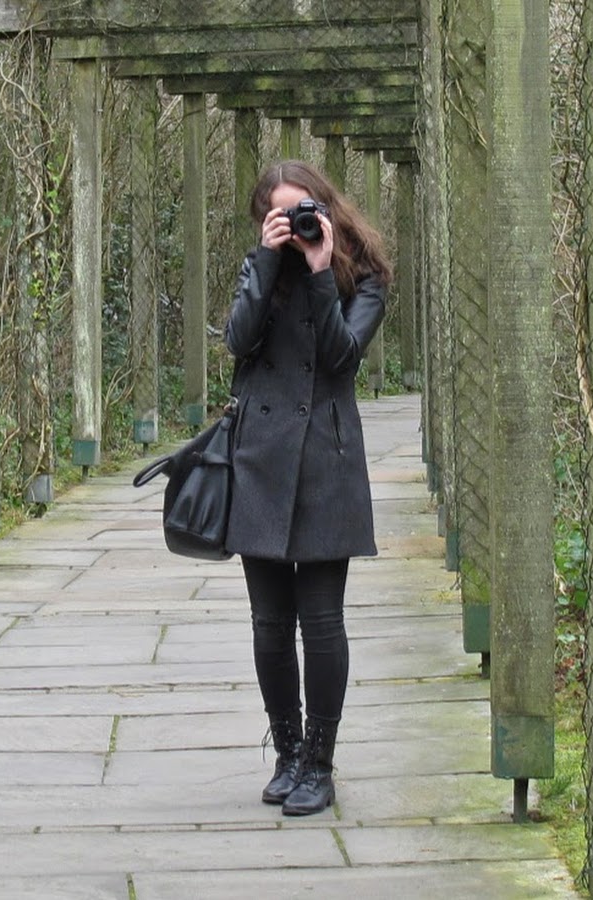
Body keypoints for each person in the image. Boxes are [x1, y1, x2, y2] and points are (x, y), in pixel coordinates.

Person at [224, 160, 393, 816]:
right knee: (269, 623)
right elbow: (238, 341)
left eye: (304, 210)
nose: (295, 225)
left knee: (321, 621)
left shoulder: (364, 275)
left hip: (326, 459)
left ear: (325, 207)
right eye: (281, 214)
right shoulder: (259, 268)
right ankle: (288, 753)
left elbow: (341, 359)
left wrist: (322, 272)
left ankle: (320, 764)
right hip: (261, 459)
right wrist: (267, 264)